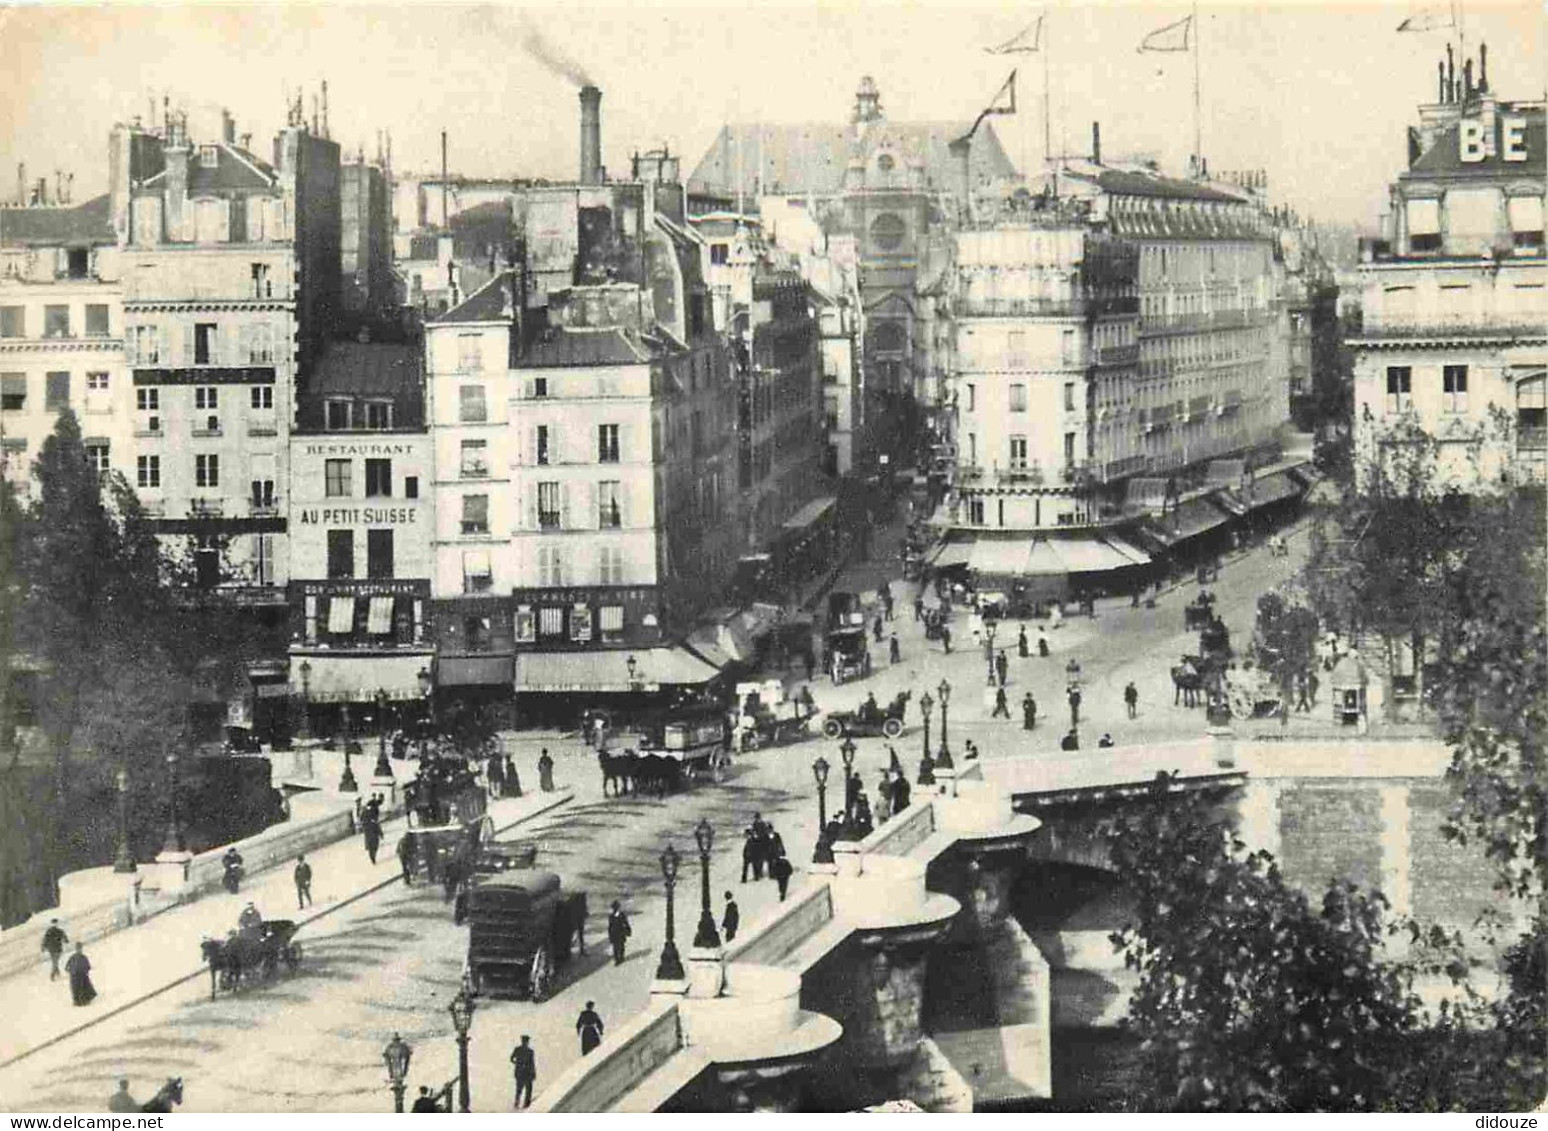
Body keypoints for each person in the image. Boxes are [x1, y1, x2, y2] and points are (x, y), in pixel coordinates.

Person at [65, 942, 96, 1007]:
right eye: (78, 948)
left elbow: (88, 966)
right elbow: (67, 967)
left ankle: (84, 1000)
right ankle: (78, 1001)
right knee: (77, 989)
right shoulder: (73, 957)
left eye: (80, 948)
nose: (79, 950)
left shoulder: (83, 957)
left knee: (83, 987)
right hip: (75, 976)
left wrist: (86, 970)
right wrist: (71, 971)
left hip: (82, 975)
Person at [510, 1036, 537, 1109]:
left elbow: (512, 1059)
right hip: (526, 1073)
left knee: (520, 1089)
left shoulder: (518, 1049)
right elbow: (532, 1064)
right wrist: (533, 1073)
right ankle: (524, 1104)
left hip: (521, 1073)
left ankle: (519, 1103)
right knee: (526, 1089)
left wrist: (517, 1064)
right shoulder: (530, 1051)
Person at [607, 900, 632, 966]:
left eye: (616, 907)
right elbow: (610, 926)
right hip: (614, 933)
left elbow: (626, 923)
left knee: (621, 946)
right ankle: (617, 959)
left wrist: (628, 930)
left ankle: (621, 957)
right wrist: (609, 935)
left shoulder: (621, 915)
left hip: (621, 932)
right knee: (615, 947)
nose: (614, 909)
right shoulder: (611, 916)